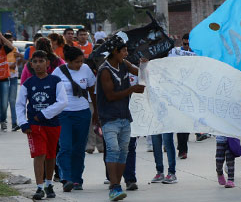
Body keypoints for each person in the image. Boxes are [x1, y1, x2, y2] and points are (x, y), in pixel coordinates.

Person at [95, 36, 145, 201]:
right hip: (109, 118)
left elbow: (138, 71)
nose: (126, 53)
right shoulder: (105, 71)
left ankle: (117, 185)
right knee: (114, 150)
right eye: (123, 50)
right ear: (115, 52)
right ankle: (114, 186)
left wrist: (145, 65)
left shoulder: (124, 64)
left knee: (124, 151)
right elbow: (110, 95)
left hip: (124, 116)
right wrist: (132, 90)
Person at [15, 50, 68, 200]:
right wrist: (23, 122)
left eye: (41, 61)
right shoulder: (27, 83)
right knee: (39, 154)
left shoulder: (55, 81)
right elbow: (19, 105)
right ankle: (39, 187)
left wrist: (45, 113)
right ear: (31, 64)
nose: (38, 64)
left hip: (52, 123)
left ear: (47, 63)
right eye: (35, 62)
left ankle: (48, 183)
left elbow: (63, 101)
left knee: (51, 155)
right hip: (34, 125)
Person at [52, 46, 97, 192]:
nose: (79, 64)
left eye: (81, 61)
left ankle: (77, 179)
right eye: (76, 62)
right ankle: (66, 178)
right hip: (64, 114)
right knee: (65, 147)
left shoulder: (86, 69)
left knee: (79, 148)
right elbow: (52, 93)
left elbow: (92, 90)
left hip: (83, 113)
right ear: (68, 61)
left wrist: (96, 111)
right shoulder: (58, 72)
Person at [168, 33, 196, 160]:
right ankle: (182, 149)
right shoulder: (176, 53)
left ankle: (182, 146)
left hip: (191, 92)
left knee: (187, 121)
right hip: (178, 92)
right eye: (185, 44)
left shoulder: (196, 54)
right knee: (180, 121)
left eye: (189, 44)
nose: (187, 47)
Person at [0, 32, 16, 132]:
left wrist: (1, 36)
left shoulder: (4, 49)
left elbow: (11, 47)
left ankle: (3, 120)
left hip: (4, 80)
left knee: (4, 104)